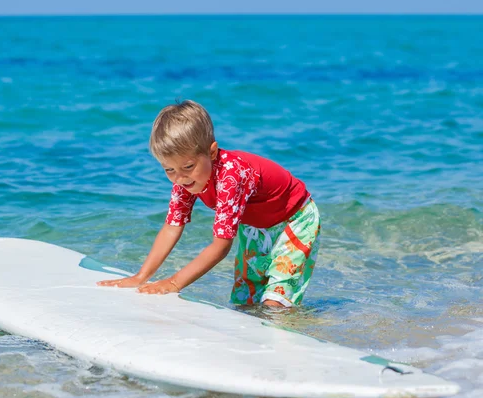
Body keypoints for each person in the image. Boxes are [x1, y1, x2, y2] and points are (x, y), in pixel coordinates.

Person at [97, 100, 321, 307]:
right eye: (169, 169)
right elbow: (172, 226)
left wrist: (174, 283)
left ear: (212, 152)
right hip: (255, 226)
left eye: (188, 167)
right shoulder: (183, 180)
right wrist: (141, 276)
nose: (180, 177)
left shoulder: (232, 176)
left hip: (295, 220)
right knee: (245, 300)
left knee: (276, 300)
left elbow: (220, 246)